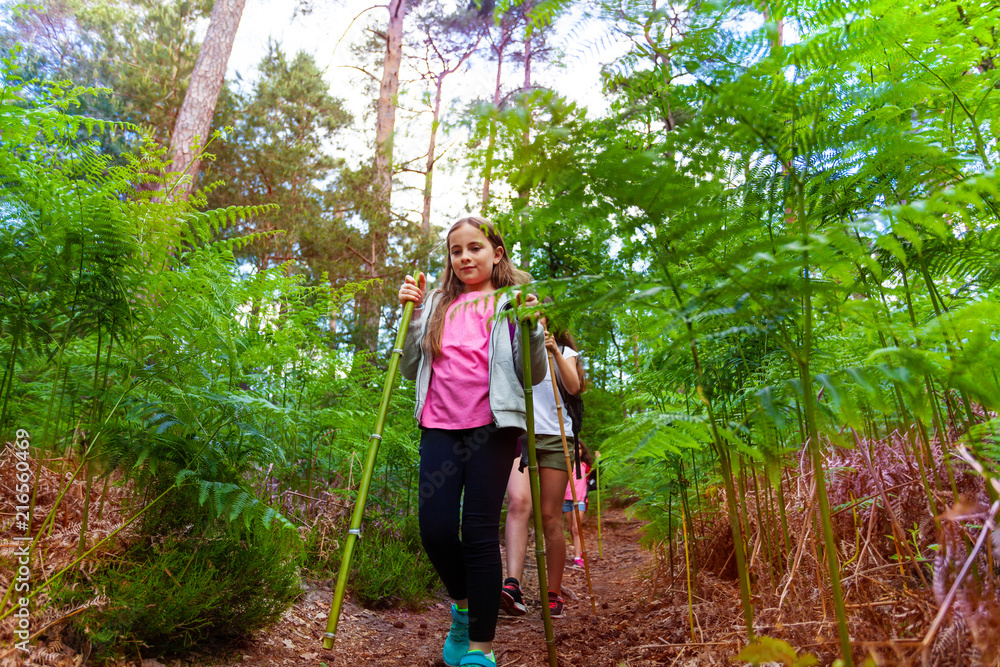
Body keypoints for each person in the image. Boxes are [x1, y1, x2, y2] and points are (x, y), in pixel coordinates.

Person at [398, 216, 546, 667]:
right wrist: (411, 314)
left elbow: (532, 374)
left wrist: (532, 328)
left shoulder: (509, 303)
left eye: (475, 248)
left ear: (496, 253)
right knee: (436, 528)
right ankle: (462, 608)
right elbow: (408, 368)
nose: (465, 257)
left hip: (492, 428)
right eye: (456, 250)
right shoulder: (438, 302)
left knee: (479, 532)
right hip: (439, 426)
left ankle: (481, 649)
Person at [500, 311, 585, 619]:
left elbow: (574, 387)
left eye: (542, 316)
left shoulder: (565, 352)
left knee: (550, 516)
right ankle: (513, 586)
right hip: (520, 435)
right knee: (519, 504)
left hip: (555, 439)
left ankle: (553, 592)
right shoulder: (515, 349)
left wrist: (552, 350)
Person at [565, 441, 595, 569]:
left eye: (580, 448)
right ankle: (579, 549)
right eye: (574, 448)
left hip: (580, 500)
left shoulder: (585, 466)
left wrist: (599, 461)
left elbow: (595, 475)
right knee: (572, 529)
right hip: (566, 500)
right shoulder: (566, 464)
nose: (577, 451)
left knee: (577, 528)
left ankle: (577, 557)